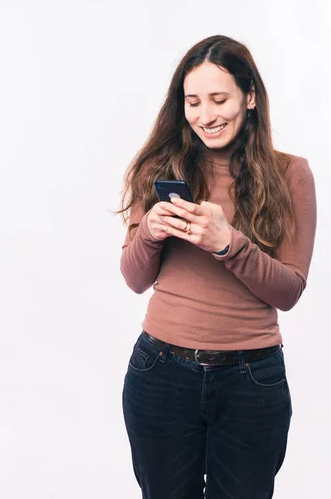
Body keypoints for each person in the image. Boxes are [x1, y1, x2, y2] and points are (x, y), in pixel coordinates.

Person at [118, 34, 317, 499]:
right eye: (192, 101)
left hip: (252, 380)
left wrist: (228, 245)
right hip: (160, 372)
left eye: (219, 99)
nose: (205, 116)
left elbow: (288, 292)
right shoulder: (157, 168)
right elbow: (134, 278)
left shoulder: (292, 174)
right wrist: (149, 229)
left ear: (249, 97)